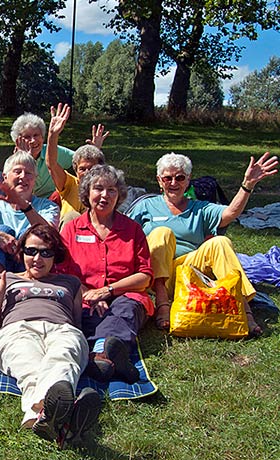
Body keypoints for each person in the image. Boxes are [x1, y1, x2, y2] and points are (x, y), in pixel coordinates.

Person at [128, 152, 278, 335]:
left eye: (180, 177)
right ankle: (162, 304)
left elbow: (230, 213)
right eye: (168, 178)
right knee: (161, 233)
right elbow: (124, 233)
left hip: (189, 274)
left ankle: (244, 308)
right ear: (159, 180)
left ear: (188, 180)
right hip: (155, 273)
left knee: (221, 242)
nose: (173, 183)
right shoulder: (146, 206)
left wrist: (247, 185)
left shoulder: (199, 208)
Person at [0, 224, 101, 448]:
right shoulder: (7, 280)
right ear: (21, 252)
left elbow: (76, 323)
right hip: (18, 329)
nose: (37, 258)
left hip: (62, 329)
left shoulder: (71, 283)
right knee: (30, 366)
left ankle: (43, 416)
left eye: (46, 252)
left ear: (56, 256)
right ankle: (65, 418)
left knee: (64, 357)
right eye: (31, 251)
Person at [60, 165, 153, 384]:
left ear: (119, 195)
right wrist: (88, 294)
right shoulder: (72, 229)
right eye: (98, 188)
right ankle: (112, 357)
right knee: (89, 314)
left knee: (125, 309)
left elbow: (145, 276)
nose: (104, 195)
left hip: (125, 294)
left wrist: (107, 291)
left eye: (112, 190)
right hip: (85, 297)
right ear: (87, 192)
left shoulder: (132, 229)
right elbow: (62, 272)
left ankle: (100, 354)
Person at [0, 151, 59, 271]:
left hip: (31, 271)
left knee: (29, 234)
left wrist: (24, 206)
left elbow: (50, 236)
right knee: (2, 230)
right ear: (5, 177)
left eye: (28, 173)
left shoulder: (48, 207)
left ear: (35, 179)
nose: (23, 176)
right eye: (17, 172)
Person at [45, 103, 107, 226]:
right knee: (72, 216)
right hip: (70, 238)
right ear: (76, 170)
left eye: (92, 168)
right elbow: (51, 163)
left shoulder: (107, 189)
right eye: (82, 169)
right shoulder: (69, 184)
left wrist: (96, 150)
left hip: (97, 236)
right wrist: (53, 135)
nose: (87, 172)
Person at [10, 111, 75, 198]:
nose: (33, 140)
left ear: (42, 137)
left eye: (36, 135)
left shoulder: (54, 151)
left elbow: (80, 160)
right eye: (27, 137)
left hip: (53, 201)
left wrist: (94, 149)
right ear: (18, 140)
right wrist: (24, 159)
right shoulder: (14, 162)